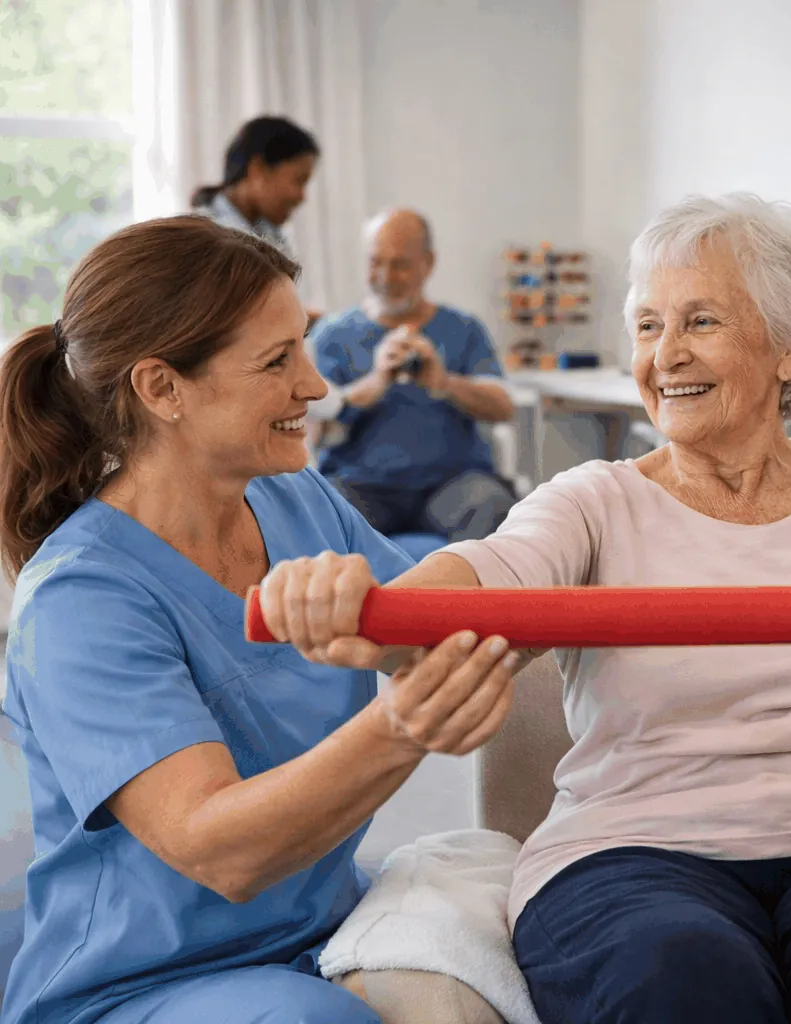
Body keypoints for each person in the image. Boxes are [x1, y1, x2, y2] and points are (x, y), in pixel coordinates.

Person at [257, 193, 791, 1024]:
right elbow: (488, 579)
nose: (664, 355)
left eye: (700, 321)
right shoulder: (592, 503)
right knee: (679, 972)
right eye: (646, 326)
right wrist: (372, 609)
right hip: (631, 850)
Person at [0, 216, 517, 1024]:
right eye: (277, 361)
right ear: (161, 388)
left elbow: (444, 628)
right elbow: (221, 851)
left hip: (317, 929)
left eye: (304, 346)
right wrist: (401, 726)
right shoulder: (80, 599)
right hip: (141, 983)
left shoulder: (296, 498)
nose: (314, 385)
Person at [309, 209, 516, 546]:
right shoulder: (332, 335)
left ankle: (465, 601)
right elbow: (314, 426)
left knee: (491, 505)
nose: (386, 276)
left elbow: (502, 407)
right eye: (376, 262)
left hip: (452, 486)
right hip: (361, 486)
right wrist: (376, 381)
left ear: (428, 264)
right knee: (322, 511)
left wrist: (444, 383)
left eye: (400, 264)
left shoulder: (463, 329)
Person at [191, 115, 319, 263]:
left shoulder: (270, 233)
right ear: (257, 169)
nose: (301, 197)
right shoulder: (205, 238)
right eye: (298, 181)